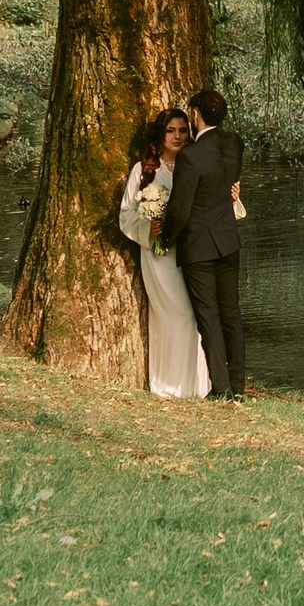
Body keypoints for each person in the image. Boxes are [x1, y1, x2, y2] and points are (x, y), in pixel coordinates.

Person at [117, 109, 210, 400]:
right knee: (174, 315)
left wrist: (232, 198)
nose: (177, 137)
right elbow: (126, 214)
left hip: (193, 254)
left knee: (195, 315)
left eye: (183, 130)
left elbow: (212, 204)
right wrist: (150, 226)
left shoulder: (195, 164)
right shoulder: (144, 170)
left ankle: (196, 384)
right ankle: (169, 384)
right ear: (161, 134)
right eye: (171, 131)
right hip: (159, 256)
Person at [169, 87, 247, 400]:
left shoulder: (190, 156)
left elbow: (180, 208)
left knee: (209, 318)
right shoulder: (234, 144)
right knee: (231, 313)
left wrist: (165, 238)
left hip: (198, 244)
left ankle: (221, 388)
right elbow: (226, 185)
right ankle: (238, 386)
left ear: (195, 115)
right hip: (228, 240)